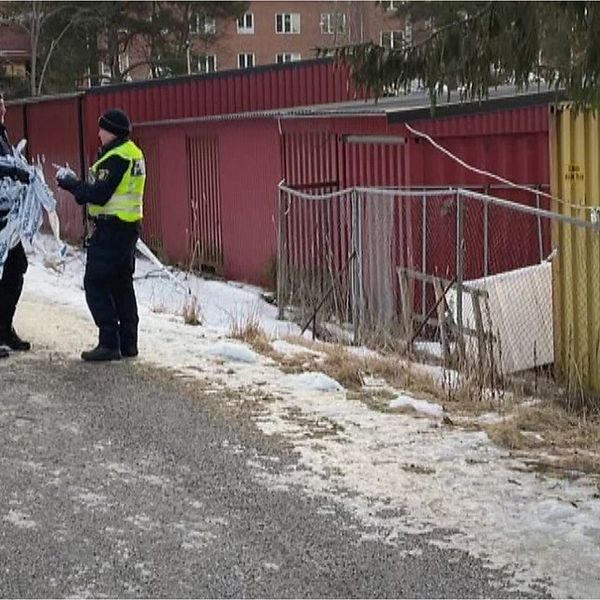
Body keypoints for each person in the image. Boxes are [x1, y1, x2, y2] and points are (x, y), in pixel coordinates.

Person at [57, 108, 146, 362]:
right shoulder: (132, 152)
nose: (98, 133)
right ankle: (128, 343)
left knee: (95, 283)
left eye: (101, 129)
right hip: (128, 227)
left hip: (112, 229)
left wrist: (72, 184)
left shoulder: (116, 157)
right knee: (122, 284)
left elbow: (99, 194)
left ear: (112, 132)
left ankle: (109, 342)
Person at [0, 91, 32, 359]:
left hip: (7, 219)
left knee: (16, 266)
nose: (2, 108)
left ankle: (3, 328)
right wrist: (11, 171)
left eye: (1, 103)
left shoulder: (3, 135)